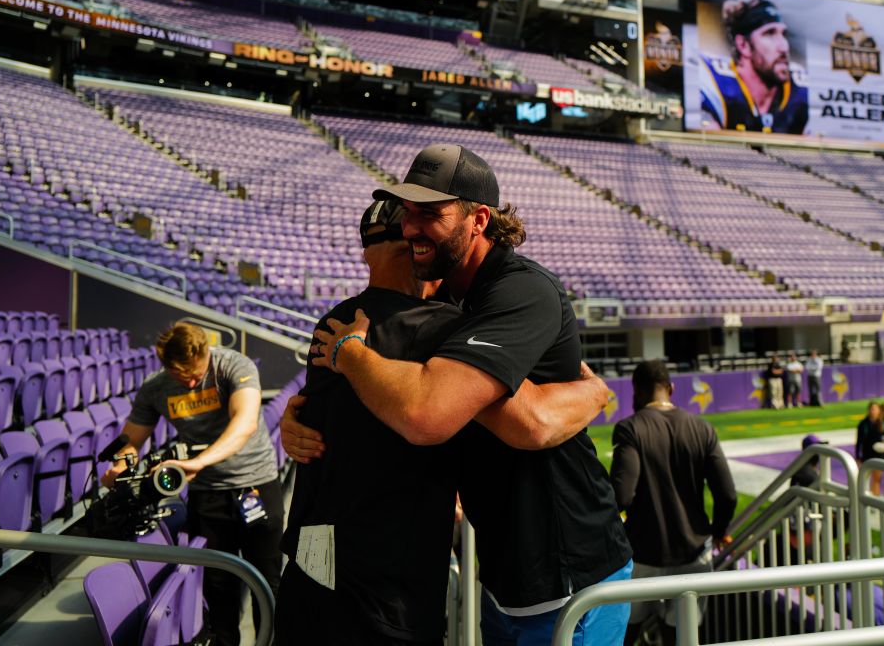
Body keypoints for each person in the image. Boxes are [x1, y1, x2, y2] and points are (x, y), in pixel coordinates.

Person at [312, 144, 633, 644]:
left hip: (569, 567)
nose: (411, 228)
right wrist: (305, 421)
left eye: (429, 214)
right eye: (408, 213)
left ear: (478, 219)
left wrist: (350, 354)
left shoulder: (520, 289)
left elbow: (440, 414)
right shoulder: (446, 297)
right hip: (506, 567)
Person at [275, 200, 465, 645]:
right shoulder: (447, 327)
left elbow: (316, 421)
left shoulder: (337, 321)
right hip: (392, 581)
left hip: (314, 560)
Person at [101, 323, 281, 646]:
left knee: (266, 580)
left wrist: (199, 462)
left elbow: (245, 423)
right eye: (183, 379)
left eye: (197, 375)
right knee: (218, 585)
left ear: (205, 353)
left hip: (255, 485)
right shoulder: (155, 388)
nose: (193, 383)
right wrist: (121, 464)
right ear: (166, 365)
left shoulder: (234, 366)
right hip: (207, 495)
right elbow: (132, 440)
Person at [611, 359, 737, 645]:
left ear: (636, 391)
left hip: (643, 553)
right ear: (671, 388)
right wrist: (719, 530)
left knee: (626, 632)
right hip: (693, 552)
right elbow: (727, 493)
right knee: (681, 635)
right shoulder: (702, 428)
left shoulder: (630, 428)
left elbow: (622, 495)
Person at [699, 0, 809, 134]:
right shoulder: (712, 83)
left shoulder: (801, 89)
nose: (784, 47)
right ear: (743, 45)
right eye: (769, 33)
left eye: (784, 34)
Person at [855, 402, 884, 496]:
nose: (872, 411)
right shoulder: (863, 424)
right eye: (871, 409)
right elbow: (859, 442)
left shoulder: (883, 424)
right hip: (867, 455)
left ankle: (875, 499)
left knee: (877, 479)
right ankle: (864, 497)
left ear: (879, 411)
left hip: (879, 456)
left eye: (874, 409)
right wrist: (858, 457)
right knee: (864, 479)